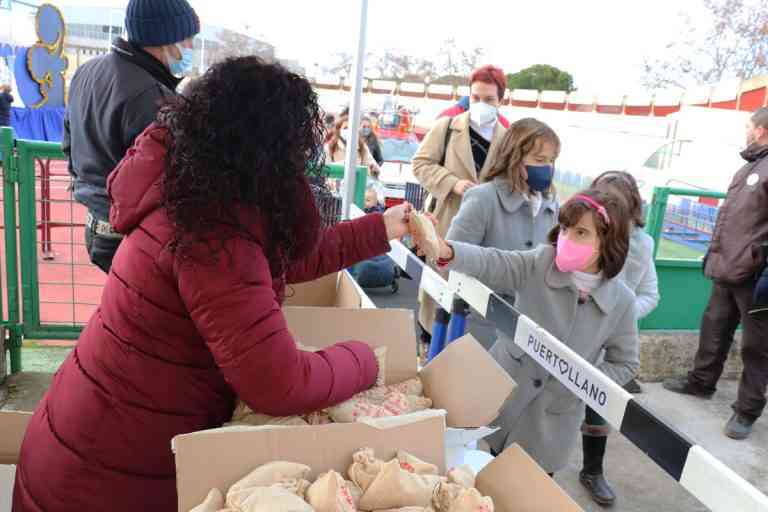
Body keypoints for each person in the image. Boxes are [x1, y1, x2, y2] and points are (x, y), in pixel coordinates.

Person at [13, 57, 412, 511]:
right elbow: (279, 382)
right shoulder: (213, 235)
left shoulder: (189, 188)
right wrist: (363, 360)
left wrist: (381, 229)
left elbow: (272, 263)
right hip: (104, 477)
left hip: (87, 441)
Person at [413, 188, 640, 477]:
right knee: (474, 480)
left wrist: (581, 383)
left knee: (524, 491)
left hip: (551, 424)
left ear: (609, 240)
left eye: (581, 233)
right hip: (501, 399)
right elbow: (493, 261)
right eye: (566, 229)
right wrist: (447, 250)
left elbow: (626, 362)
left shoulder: (622, 302)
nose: (568, 239)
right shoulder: (539, 262)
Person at [63, 0, 200, 274]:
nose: (190, 48)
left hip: (95, 224)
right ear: (166, 39)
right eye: (187, 40)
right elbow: (164, 181)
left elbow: (68, 143)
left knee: (121, 307)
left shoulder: (87, 72)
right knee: (145, 313)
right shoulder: (151, 96)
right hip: (130, 236)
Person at [664, 107, 768, 441]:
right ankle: (701, 383)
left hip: (755, 275)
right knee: (713, 328)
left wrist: (759, 261)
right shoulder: (749, 167)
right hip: (727, 267)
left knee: (757, 347)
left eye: (749, 126)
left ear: (762, 130)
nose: (746, 131)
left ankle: (746, 411)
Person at [579, 170, 660, 506]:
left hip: (606, 345)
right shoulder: (579, 231)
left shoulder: (642, 244)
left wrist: (620, 317)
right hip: (564, 332)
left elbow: (650, 294)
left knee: (598, 403)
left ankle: (592, 471)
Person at [412, 64, 508, 344]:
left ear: (501, 100)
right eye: (475, 98)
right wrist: (453, 183)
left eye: (489, 99)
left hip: (487, 232)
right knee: (436, 296)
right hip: (446, 221)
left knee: (470, 298)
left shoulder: (510, 139)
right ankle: (428, 350)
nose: (481, 104)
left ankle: (461, 357)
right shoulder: (446, 127)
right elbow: (420, 164)